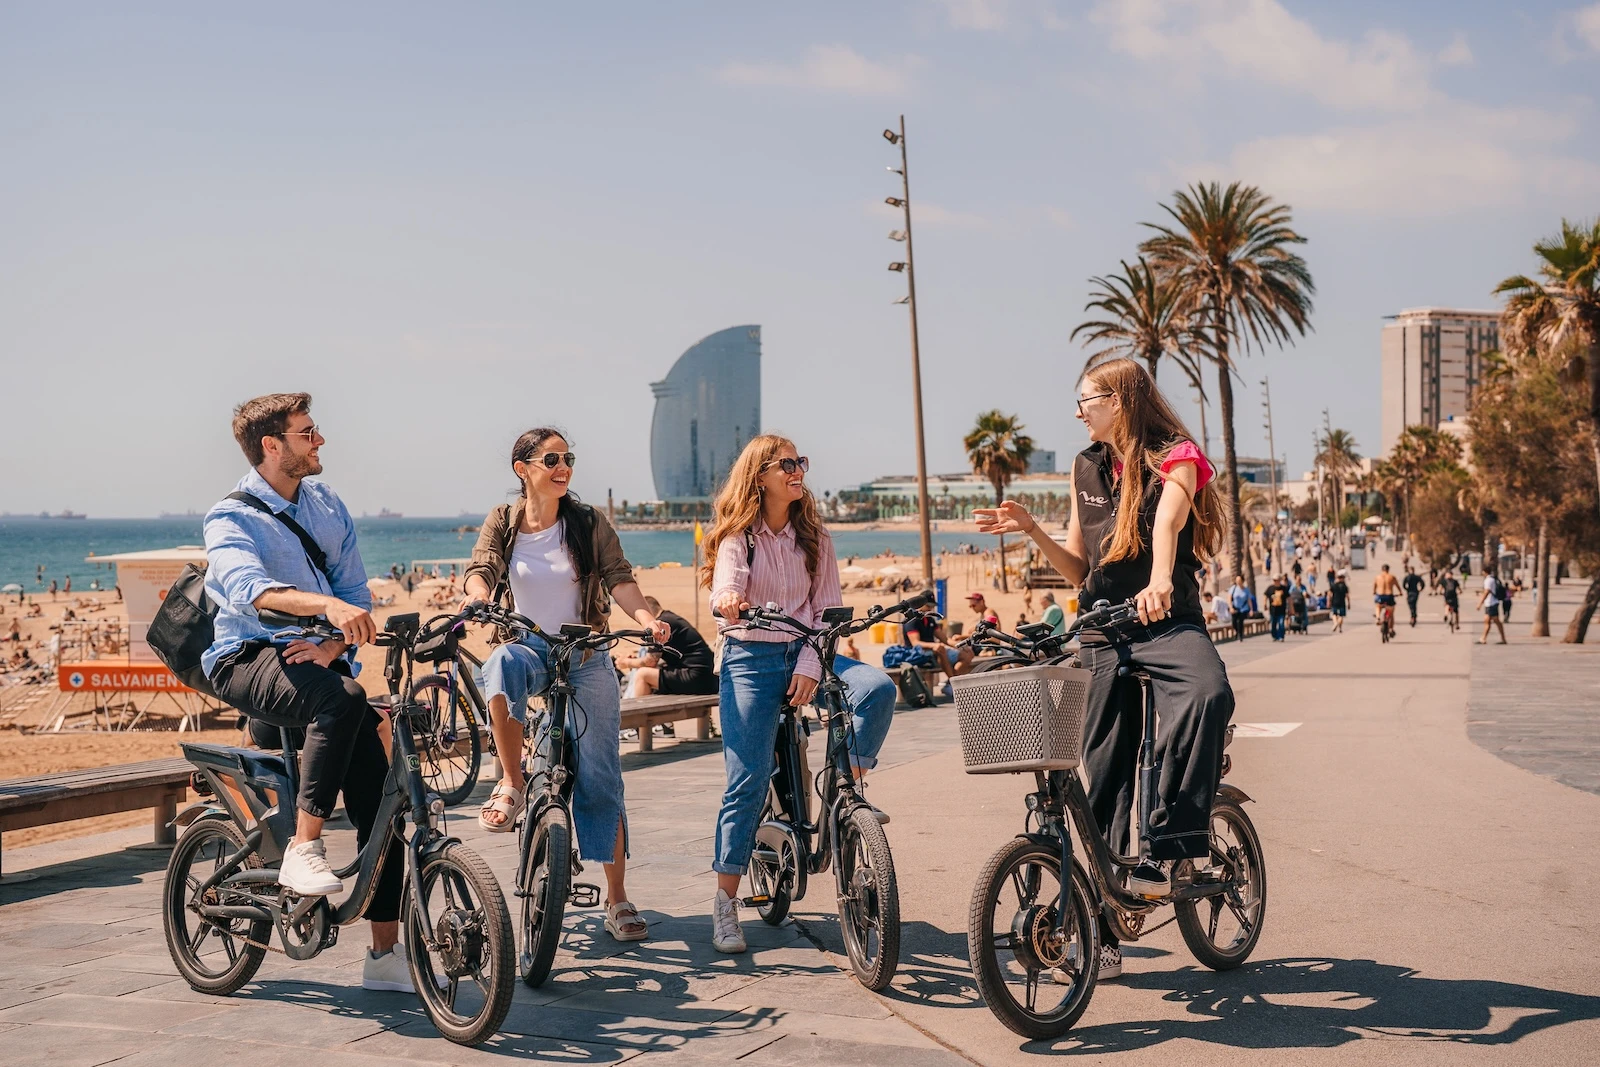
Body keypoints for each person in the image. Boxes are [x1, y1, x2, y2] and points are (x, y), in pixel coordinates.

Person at [975, 357, 1234, 983]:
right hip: (1102, 627)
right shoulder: (1084, 466)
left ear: (1118, 400)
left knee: (1207, 693)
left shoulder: (1177, 454)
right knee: (1106, 772)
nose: (1078, 410)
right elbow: (1080, 573)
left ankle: (1171, 844)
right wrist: (1032, 530)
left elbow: (1170, 517)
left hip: (1166, 619)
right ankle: (1109, 926)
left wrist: (1159, 581)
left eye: (1086, 399)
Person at [200, 393, 414, 994]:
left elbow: (354, 591)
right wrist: (324, 609)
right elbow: (248, 588)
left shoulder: (325, 504)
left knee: (381, 797)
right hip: (246, 656)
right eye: (307, 433)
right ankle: (303, 847)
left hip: (315, 660)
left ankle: (384, 955)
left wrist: (330, 642)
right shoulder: (231, 518)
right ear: (273, 447)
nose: (319, 441)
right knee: (343, 700)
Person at [460, 427, 668, 945]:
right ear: (522, 469)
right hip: (529, 647)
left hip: (585, 654)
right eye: (550, 458)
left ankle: (617, 899)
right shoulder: (504, 522)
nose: (563, 467)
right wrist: (476, 598)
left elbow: (618, 576)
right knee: (501, 662)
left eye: (568, 458)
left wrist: (645, 618)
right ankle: (510, 780)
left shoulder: (588, 522)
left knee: (600, 778)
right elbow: (481, 568)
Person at [704, 435, 897, 955]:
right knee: (745, 780)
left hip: (810, 649)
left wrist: (811, 663)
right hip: (751, 656)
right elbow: (726, 586)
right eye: (786, 464)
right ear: (759, 475)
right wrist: (728, 601)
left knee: (877, 688)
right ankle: (724, 902)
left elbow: (827, 612)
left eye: (800, 462)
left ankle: (846, 787)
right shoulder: (738, 539)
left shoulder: (816, 537)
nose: (797, 471)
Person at [618, 595, 716, 699]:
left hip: (698, 678)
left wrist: (626, 663)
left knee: (643, 675)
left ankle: (639, 713)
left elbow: (650, 662)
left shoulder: (661, 625)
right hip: (708, 677)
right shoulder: (669, 619)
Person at [905, 608, 974, 677]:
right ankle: (952, 680)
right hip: (916, 653)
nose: (930, 608)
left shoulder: (930, 619)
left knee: (967, 654)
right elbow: (915, 643)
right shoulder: (912, 621)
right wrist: (934, 645)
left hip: (932, 651)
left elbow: (945, 639)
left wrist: (961, 645)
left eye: (932, 606)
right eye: (928, 606)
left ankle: (953, 680)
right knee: (940, 649)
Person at [1476, 569, 1508, 645]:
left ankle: (1502, 639)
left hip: (1491, 603)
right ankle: (1483, 638)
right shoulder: (1492, 579)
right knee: (1487, 621)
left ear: (1484, 571)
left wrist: (1480, 603)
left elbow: (1487, 591)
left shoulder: (1488, 580)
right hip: (1491, 603)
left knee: (1495, 621)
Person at [1373, 563, 1400, 633]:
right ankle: (1391, 629)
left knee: (1378, 606)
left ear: (1382, 569)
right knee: (1391, 613)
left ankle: (1378, 618)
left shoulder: (1377, 577)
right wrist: (1400, 593)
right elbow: (1397, 586)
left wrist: (1374, 592)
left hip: (1380, 595)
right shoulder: (1392, 577)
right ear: (1388, 569)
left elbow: (1374, 586)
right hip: (1389, 596)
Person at [1265, 575, 1289, 641]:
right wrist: (1264, 604)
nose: (1276, 582)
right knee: (1273, 624)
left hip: (1281, 610)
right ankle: (1274, 636)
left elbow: (1289, 598)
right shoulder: (1270, 588)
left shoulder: (1284, 588)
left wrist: (1291, 608)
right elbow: (1265, 595)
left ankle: (1281, 636)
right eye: (1274, 580)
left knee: (1281, 624)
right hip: (1273, 610)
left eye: (1277, 580)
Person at [1228, 575, 1250, 642]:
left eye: (1239, 580)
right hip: (1235, 608)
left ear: (1242, 581)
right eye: (1237, 580)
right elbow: (1229, 598)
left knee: (1240, 621)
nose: (1238, 582)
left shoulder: (1246, 590)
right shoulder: (1233, 588)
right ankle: (1237, 631)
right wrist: (1231, 607)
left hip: (1243, 608)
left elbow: (1249, 600)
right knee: (1234, 622)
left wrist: (1251, 609)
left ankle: (1240, 635)